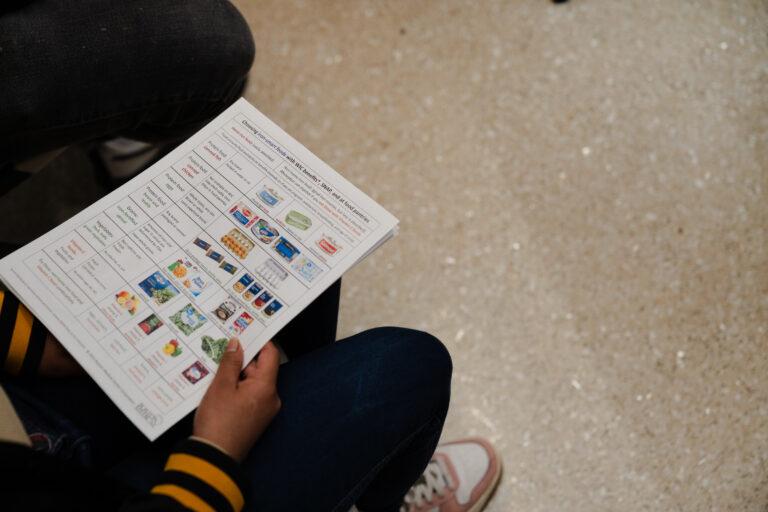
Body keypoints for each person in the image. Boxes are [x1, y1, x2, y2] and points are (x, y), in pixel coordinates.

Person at [0, 1, 501, 511]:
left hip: (22, 404)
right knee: (407, 371)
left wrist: (22, 338)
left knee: (290, 231)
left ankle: (336, 451)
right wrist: (213, 455)